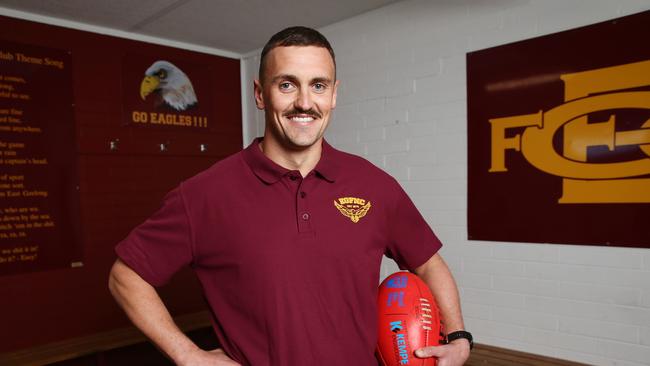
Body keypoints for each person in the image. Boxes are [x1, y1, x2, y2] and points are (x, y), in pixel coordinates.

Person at [109, 26, 471, 366]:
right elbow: (126, 276)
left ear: (333, 94)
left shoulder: (375, 185)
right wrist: (187, 354)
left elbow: (428, 262)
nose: (304, 102)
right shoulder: (204, 194)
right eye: (286, 85)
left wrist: (458, 337)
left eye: (318, 85)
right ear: (259, 94)